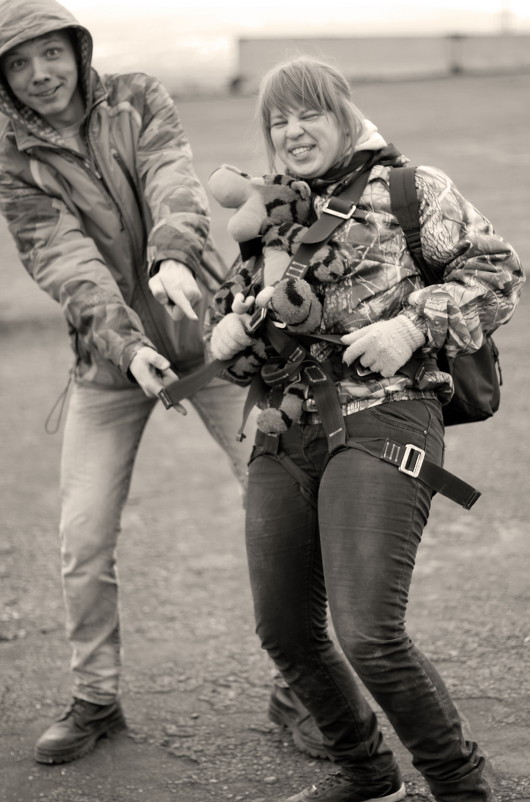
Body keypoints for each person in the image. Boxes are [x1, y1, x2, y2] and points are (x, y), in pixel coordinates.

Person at [0, 0, 324, 767]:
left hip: (217, 343)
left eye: (50, 54)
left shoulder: (139, 96)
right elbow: (63, 258)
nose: (40, 74)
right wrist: (125, 343)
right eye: (17, 63)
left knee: (281, 507)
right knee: (82, 537)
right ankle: (95, 698)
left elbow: (171, 179)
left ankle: (304, 688)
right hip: (111, 366)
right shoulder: (13, 157)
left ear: (77, 51)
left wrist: (173, 251)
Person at [208, 56, 524, 802]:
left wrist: (412, 328)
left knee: (369, 634)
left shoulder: (412, 189)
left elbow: (499, 275)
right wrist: (226, 329)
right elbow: (245, 318)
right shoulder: (272, 216)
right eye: (277, 120)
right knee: (284, 631)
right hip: (284, 431)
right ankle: (369, 777)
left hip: (387, 417)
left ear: (343, 111)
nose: (292, 131)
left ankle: (461, 786)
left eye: (308, 112)